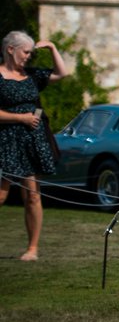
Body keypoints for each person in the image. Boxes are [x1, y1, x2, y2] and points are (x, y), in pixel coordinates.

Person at [0, 31, 68, 261]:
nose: (29, 56)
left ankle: (32, 248)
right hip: (5, 140)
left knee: (32, 196)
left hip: (31, 141)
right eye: (25, 52)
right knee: (0, 195)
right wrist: (21, 118)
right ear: (11, 49)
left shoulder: (32, 75)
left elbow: (62, 73)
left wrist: (51, 48)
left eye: (31, 52)